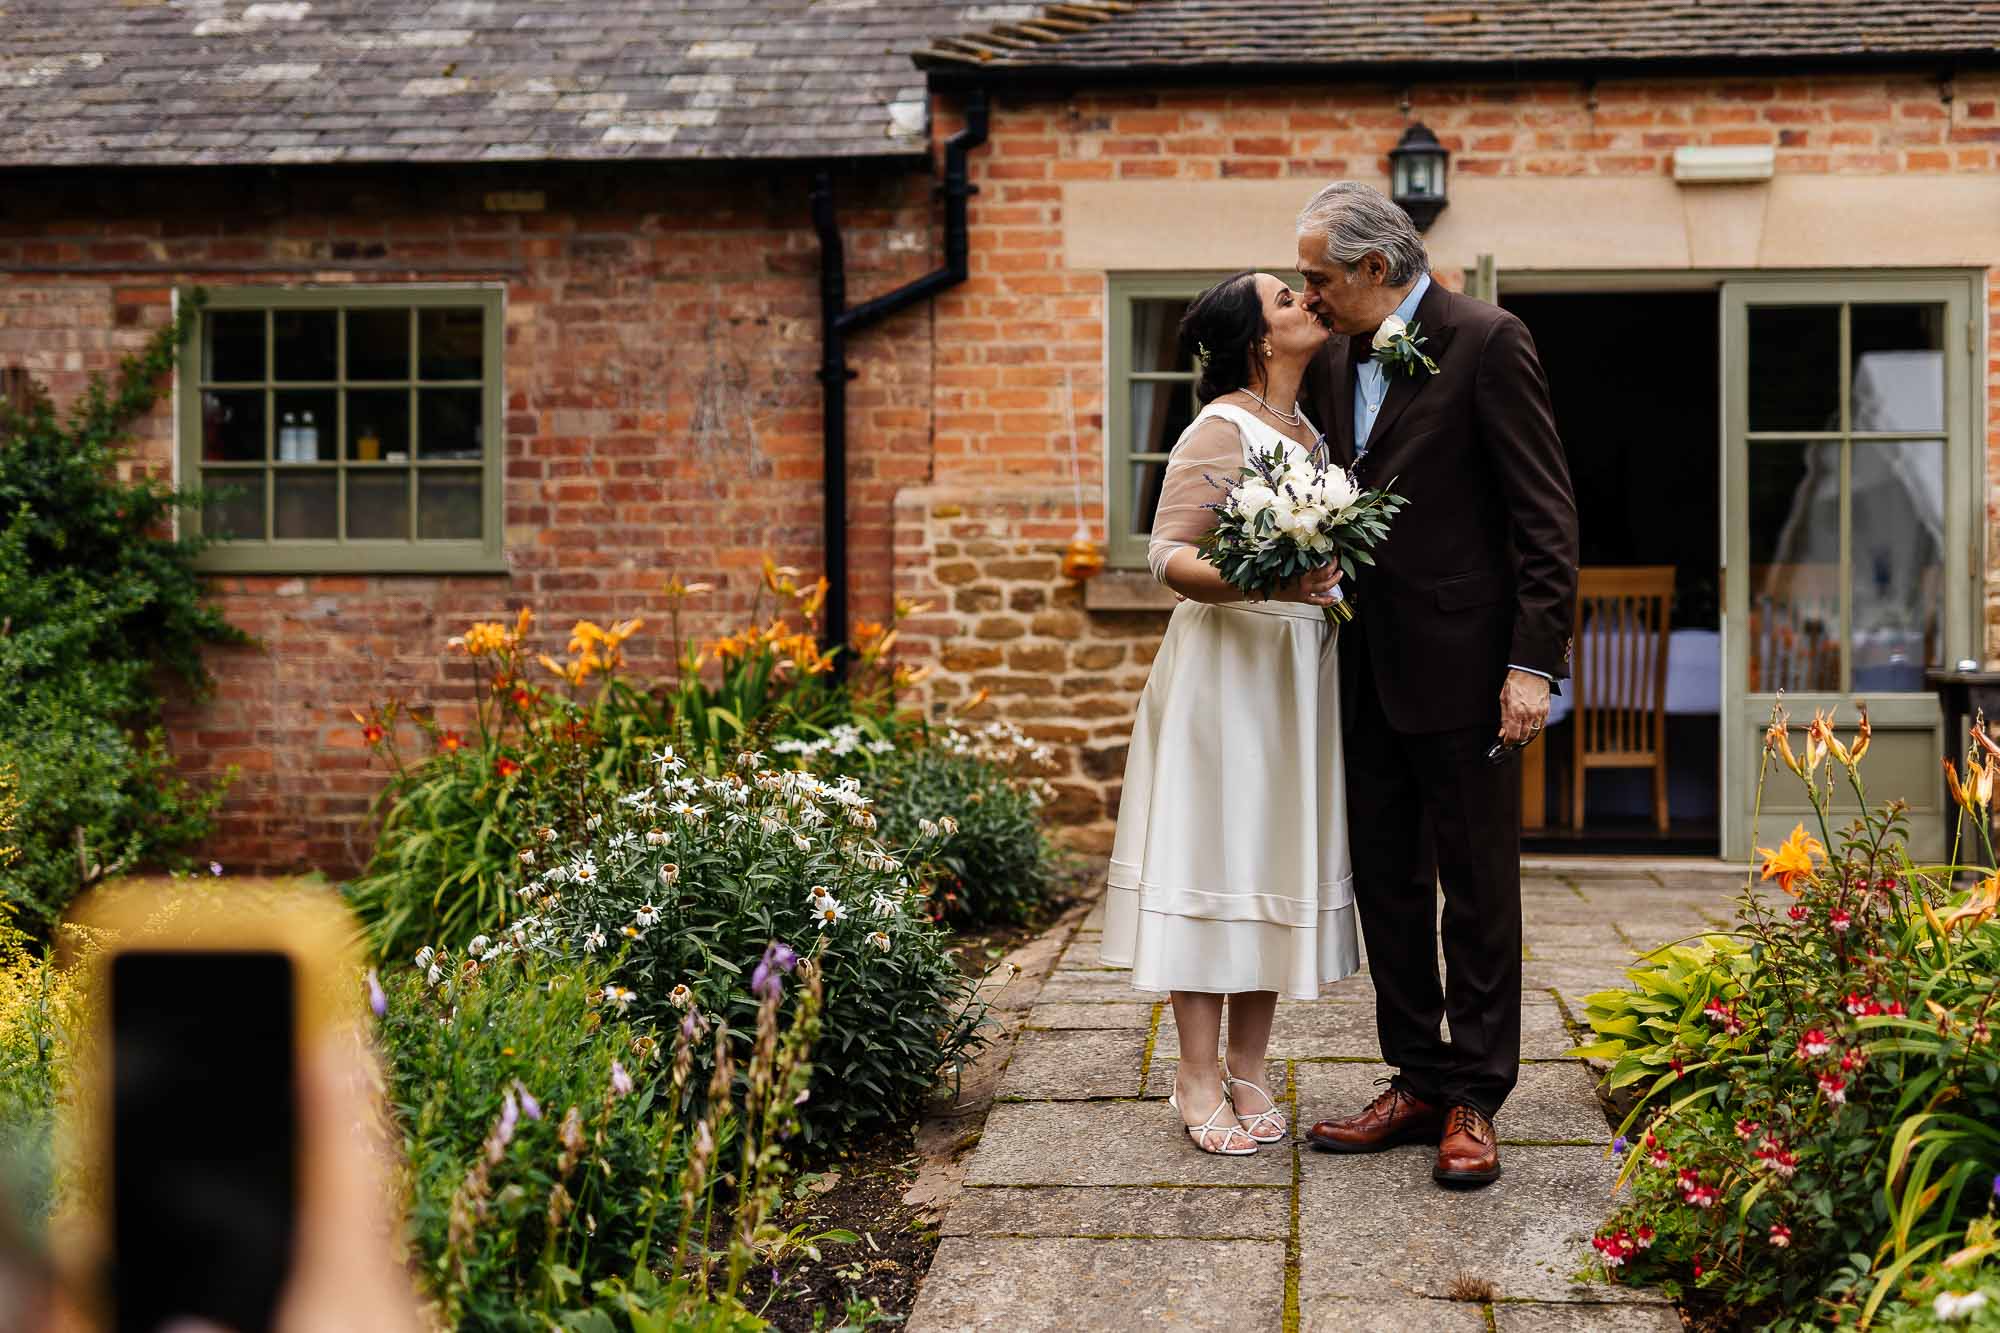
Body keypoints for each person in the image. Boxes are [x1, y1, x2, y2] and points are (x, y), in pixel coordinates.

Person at [1291, 182, 1579, 1187]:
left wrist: (1530, 664)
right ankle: (1414, 1077)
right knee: (1389, 881)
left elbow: (1543, 518)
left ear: (1376, 269)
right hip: (1362, 663)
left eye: (1317, 277)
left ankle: (1474, 1096)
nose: (1307, 293)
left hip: (1469, 672)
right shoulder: (1330, 358)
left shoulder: (1488, 340)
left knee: (1477, 887)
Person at [1099, 270, 1362, 1155]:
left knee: (1270, 861)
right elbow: (1167, 555)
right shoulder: (1220, 427)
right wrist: (1275, 577)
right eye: (1286, 298)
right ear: (1256, 337)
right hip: (1227, 668)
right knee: (1215, 855)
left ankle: (1252, 1065)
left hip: (1294, 666)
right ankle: (1197, 1072)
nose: (1306, 302)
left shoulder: (1310, 433)